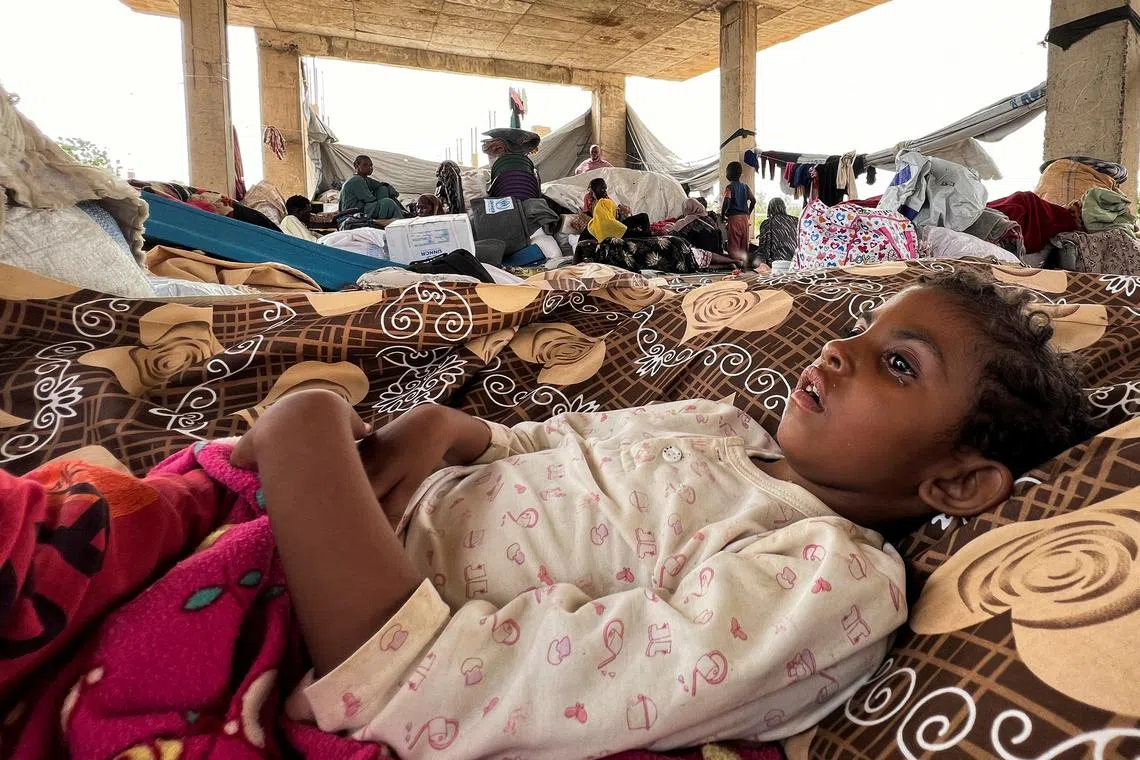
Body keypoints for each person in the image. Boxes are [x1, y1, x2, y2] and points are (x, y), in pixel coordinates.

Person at [0, 273, 1094, 757]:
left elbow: (438, 693)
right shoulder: (724, 426)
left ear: (954, 484)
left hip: (319, 617)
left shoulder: (828, 580)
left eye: (896, 365)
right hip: (312, 510)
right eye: (862, 328)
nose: (841, 351)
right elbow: (539, 444)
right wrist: (446, 430)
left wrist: (307, 450)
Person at [667, 197, 737, 267]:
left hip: (701, 253)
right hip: (716, 251)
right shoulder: (709, 219)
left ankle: (718, 265)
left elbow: (672, 233)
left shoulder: (685, 221)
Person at [580, 177, 650, 240]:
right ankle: (646, 237)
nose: (605, 191)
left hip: (615, 224)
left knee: (644, 216)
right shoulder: (594, 202)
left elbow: (613, 214)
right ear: (594, 190)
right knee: (640, 234)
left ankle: (646, 236)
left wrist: (620, 211)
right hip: (606, 228)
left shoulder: (606, 199)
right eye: (602, 189)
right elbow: (605, 222)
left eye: (605, 188)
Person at [338, 155, 404, 220]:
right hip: (354, 211)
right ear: (356, 166)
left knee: (383, 189)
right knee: (387, 202)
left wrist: (392, 192)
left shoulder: (365, 179)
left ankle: (396, 213)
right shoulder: (357, 180)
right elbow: (369, 199)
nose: (370, 167)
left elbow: (381, 184)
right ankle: (393, 218)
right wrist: (384, 201)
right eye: (365, 165)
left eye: (371, 165)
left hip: (361, 208)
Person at [722, 161, 756, 264]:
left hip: (734, 218)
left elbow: (726, 201)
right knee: (744, 243)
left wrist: (723, 214)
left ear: (728, 174)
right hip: (745, 219)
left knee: (734, 243)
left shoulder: (729, 187)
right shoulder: (745, 187)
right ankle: (744, 265)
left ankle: (735, 264)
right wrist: (748, 213)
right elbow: (753, 200)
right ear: (740, 173)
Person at [754, 197, 798, 267]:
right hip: (795, 261)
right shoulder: (796, 221)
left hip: (775, 263)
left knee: (753, 258)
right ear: (784, 208)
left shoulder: (766, 223)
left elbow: (762, 248)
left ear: (770, 209)